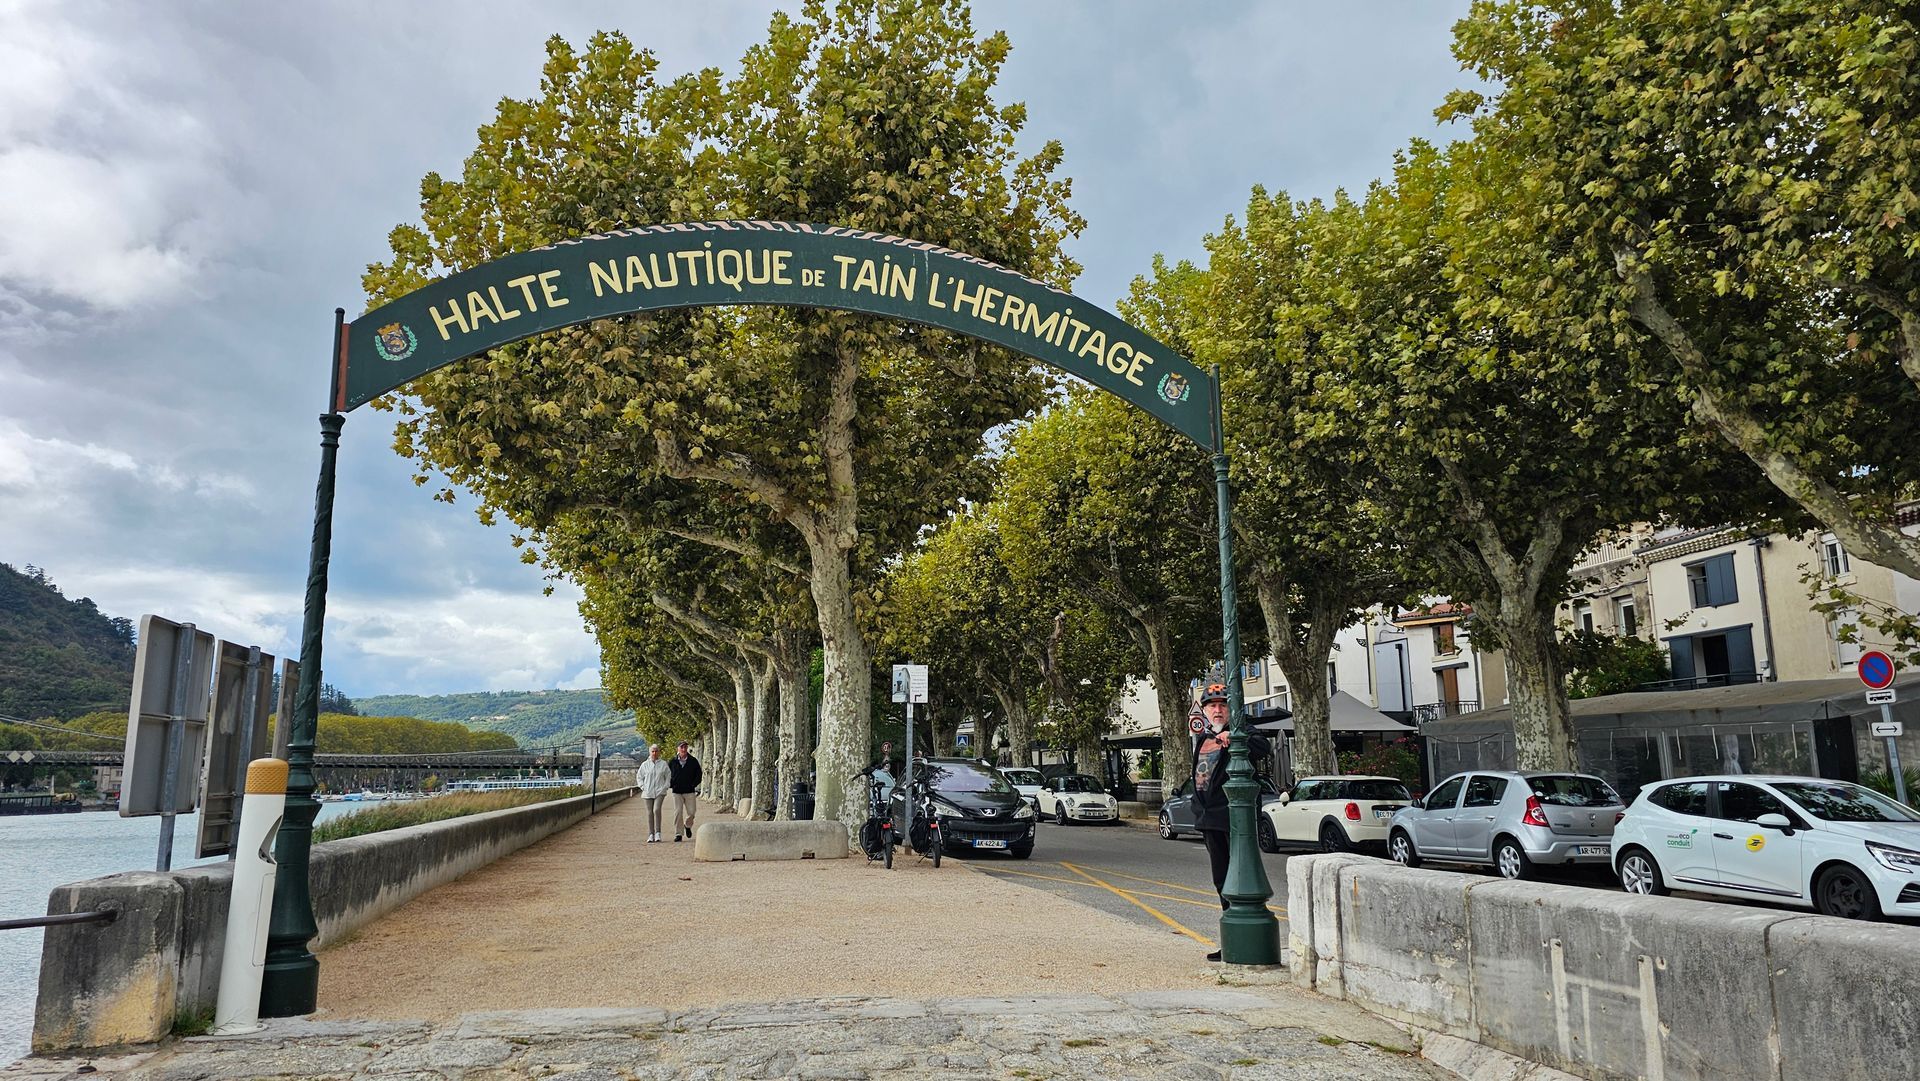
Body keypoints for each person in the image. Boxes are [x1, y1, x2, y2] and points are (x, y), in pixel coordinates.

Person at [1191, 682, 1270, 962]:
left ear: (1232, 709)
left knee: (1238, 879)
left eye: (1223, 705)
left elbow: (1262, 747)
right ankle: (1229, 938)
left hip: (1233, 819)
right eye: (1212, 706)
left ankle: (1241, 939)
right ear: (1204, 710)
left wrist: (1234, 738)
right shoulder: (1203, 738)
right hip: (1209, 819)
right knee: (1221, 880)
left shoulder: (1242, 731)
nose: (1217, 710)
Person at [636, 744, 672, 843]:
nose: (654, 753)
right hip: (648, 792)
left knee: (656, 810)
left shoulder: (663, 764)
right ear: (650, 752)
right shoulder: (644, 765)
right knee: (649, 813)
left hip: (660, 791)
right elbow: (639, 777)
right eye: (652, 751)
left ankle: (658, 833)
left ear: (659, 752)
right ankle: (651, 834)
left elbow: (668, 776)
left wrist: (665, 786)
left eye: (656, 751)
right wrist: (643, 787)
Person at [668, 741, 702, 841]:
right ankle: (678, 834)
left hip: (689, 791)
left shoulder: (693, 761)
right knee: (678, 812)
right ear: (678, 749)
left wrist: (693, 784)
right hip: (677, 791)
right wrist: (671, 784)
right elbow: (667, 774)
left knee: (692, 813)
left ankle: (687, 825)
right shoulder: (672, 761)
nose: (683, 749)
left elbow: (699, 774)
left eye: (685, 747)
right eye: (681, 747)